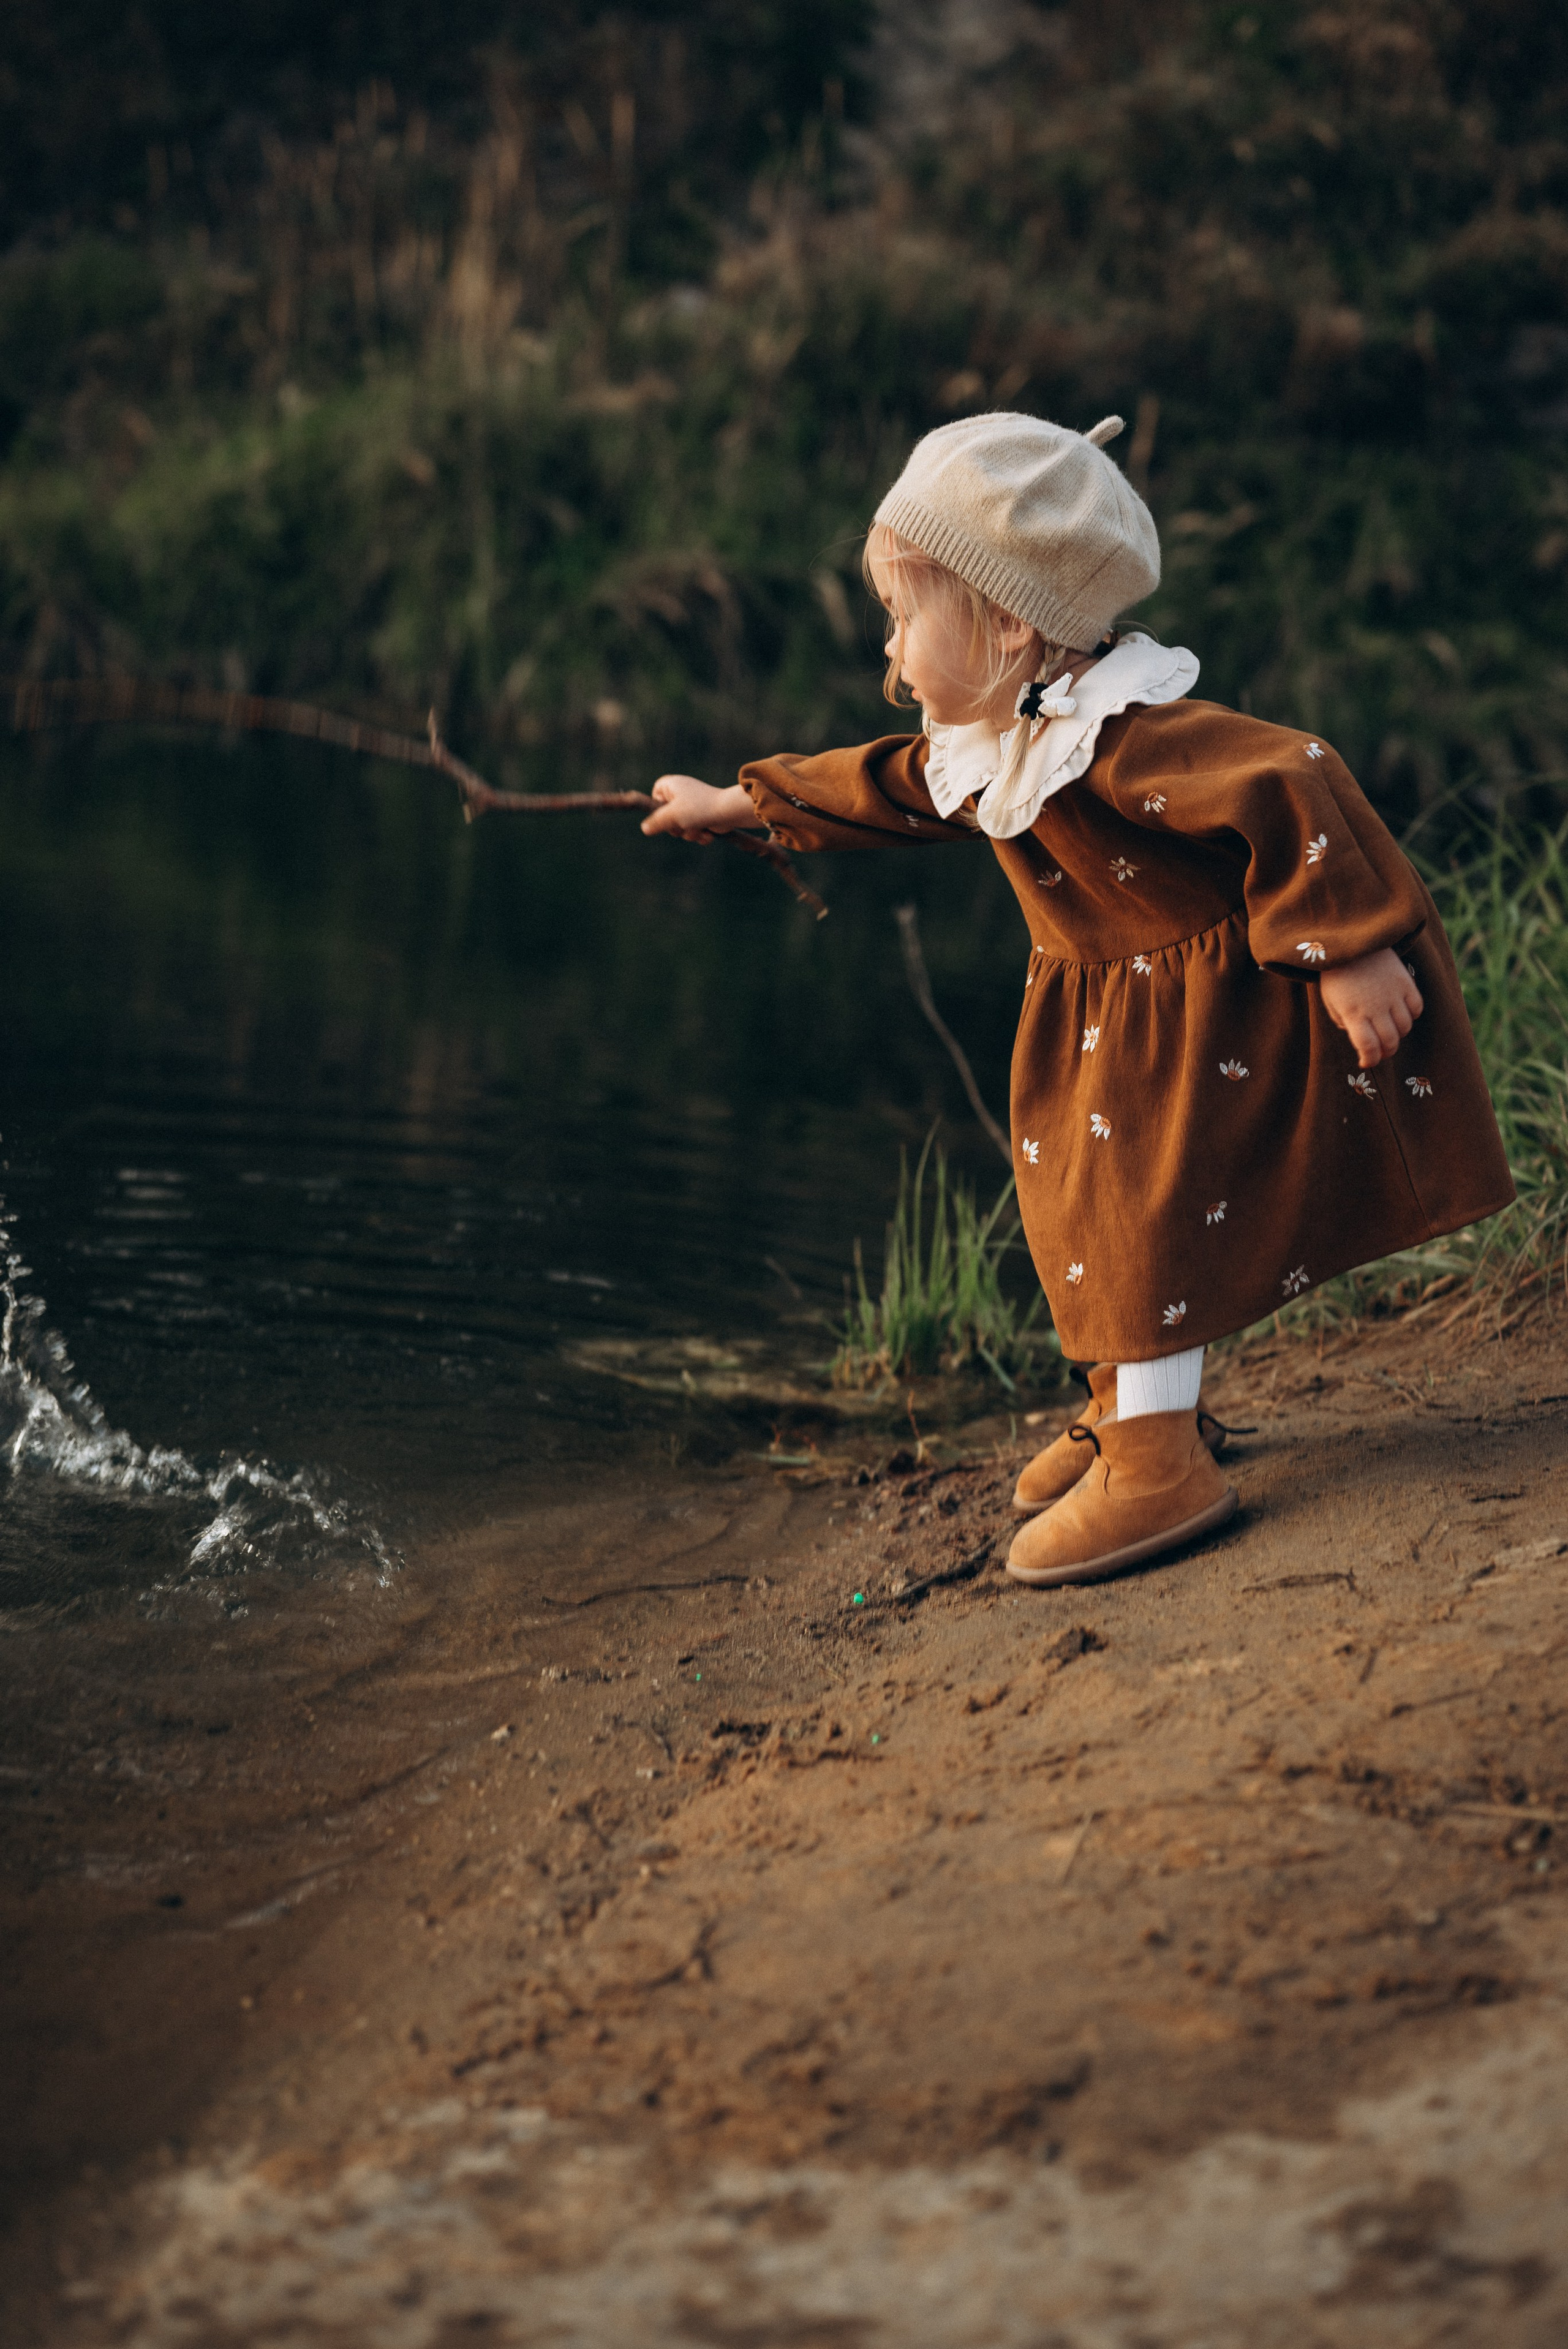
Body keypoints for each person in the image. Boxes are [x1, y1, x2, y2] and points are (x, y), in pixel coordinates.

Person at [641, 412, 1514, 1588]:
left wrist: (1346, 947)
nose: (892, 660)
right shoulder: (1005, 734)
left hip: (1216, 1016)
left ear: (1010, 623)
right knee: (1079, 1211)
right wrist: (731, 802)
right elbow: (883, 788)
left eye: (905, 620)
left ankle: (1158, 1462)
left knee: (1138, 1218)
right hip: (1119, 1024)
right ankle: (1134, 1411)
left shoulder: (1127, 738)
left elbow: (1292, 776)